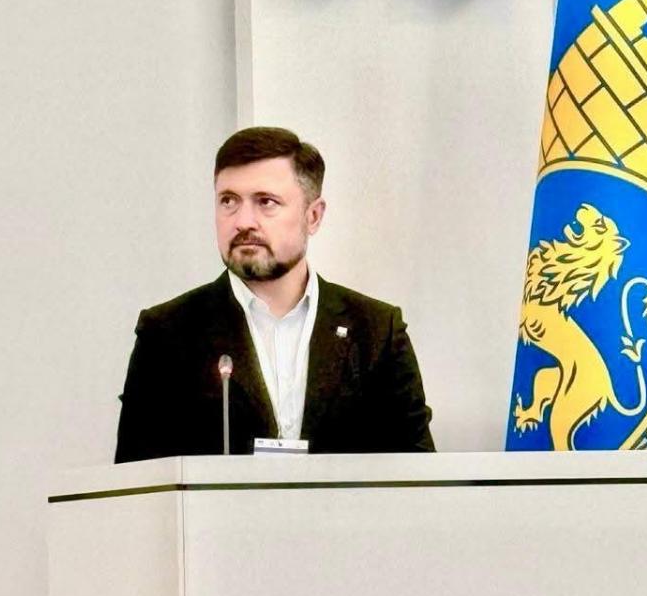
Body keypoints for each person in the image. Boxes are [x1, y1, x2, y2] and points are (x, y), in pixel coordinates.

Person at [114, 127, 434, 460]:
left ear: (313, 216)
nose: (243, 222)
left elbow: (419, 474)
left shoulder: (377, 331)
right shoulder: (166, 333)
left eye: (266, 202)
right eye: (228, 201)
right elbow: (139, 481)